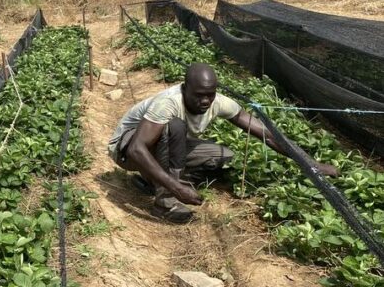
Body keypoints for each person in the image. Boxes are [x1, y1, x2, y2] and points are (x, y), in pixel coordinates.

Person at [107, 63, 338, 224]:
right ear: (185, 88)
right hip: (126, 150)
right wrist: (176, 188)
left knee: (222, 156)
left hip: (156, 147)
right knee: (174, 127)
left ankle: (152, 180)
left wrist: (310, 163)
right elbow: (138, 148)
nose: (205, 101)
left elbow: (266, 134)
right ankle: (164, 202)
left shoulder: (218, 102)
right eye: (198, 95)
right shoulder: (168, 103)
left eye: (210, 94)